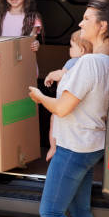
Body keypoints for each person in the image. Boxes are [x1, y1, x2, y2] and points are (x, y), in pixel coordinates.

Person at [28, 0, 109, 217]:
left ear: (102, 27)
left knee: (50, 212)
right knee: (80, 210)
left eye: (87, 18)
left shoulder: (88, 63)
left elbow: (61, 108)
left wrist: (39, 96)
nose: (80, 22)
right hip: (92, 146)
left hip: (73, 148)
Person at [43, 30, 93, 162]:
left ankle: (53, 148)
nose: (69, 50)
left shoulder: (74, 61)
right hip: (80, 106)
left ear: (82, 50)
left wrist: (49, 76)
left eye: (71, 46)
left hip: (64, 102)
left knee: (54, 120)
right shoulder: (93, 62)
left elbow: (61, 74)